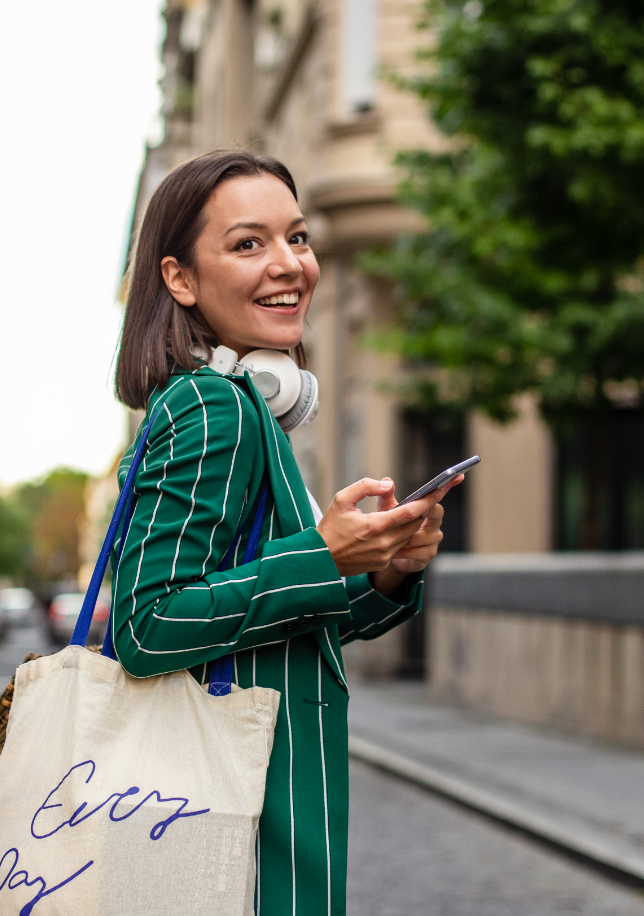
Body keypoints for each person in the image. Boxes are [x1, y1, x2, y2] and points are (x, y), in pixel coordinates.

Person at [111, 148, 462, 915]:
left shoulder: (243, 409)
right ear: (180, 279)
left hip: (252, 816)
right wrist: (321, 554)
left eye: (297, 237)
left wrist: (384, 571)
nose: (290, 264)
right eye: (248, 243)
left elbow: (280, 633)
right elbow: (148, 624)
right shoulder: (215, 408)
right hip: (239, 839)